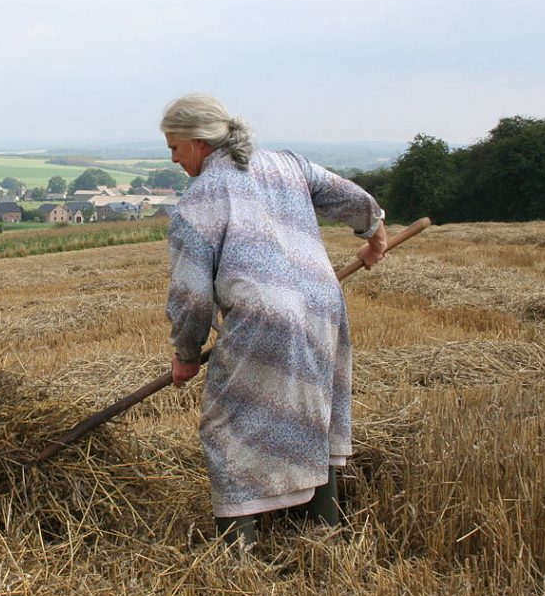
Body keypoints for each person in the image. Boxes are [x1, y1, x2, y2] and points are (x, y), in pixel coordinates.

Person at [161, 93, 387, 546]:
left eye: (175, 147)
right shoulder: (289, 166)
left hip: (265, 316)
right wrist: (374, 235)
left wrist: (185, 352)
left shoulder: (198, 203)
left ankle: (237, 547)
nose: (173, 159)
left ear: (201, 143)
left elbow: (191, 296)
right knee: (311, 407)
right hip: (323, 305)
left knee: (229, 426)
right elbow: (353, 198)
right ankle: (324, 529)